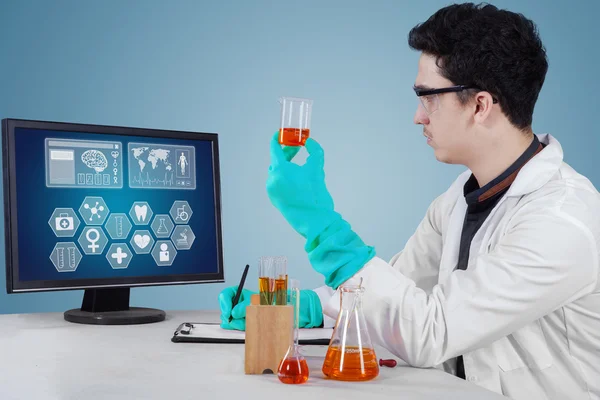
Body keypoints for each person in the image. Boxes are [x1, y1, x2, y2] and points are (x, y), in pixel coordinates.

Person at [219, 3, 600, 399]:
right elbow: (392, 299)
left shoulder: (561, 220)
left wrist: (320, 223)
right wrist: (300, 307)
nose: (418, 116)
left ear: (481, 105)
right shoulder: (457, 200)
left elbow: (429, 332)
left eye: (428, 97)